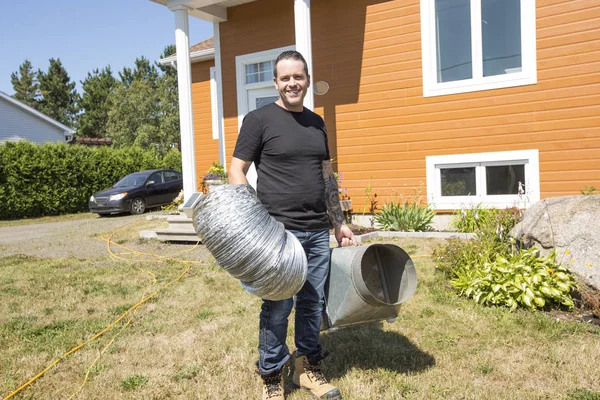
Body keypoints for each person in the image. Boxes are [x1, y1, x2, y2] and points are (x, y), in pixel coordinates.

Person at [228, 50, 356, 400]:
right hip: (278, 234)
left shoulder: (317, 123)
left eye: (298, 76)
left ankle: (306, 369)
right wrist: (255, 222)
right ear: (275, 83)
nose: (292, 83)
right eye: (285, 78)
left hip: (316, 231)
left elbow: (326, 176)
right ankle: (271, 376)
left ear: (307, 80)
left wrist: (338, 223)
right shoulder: (259, 120)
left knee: (312, 303)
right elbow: (236, 171)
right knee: (279, 304)